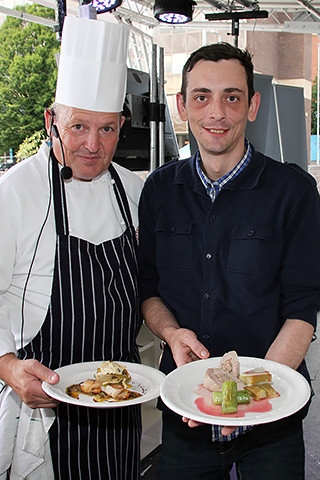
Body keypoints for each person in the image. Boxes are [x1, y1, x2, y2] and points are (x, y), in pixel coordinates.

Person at [138, 42, 320, 480]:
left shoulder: (293, 193)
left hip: (272, 409)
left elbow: (302, 308)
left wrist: (243, 398)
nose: (216, 112)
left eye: (231, 97)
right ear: (182, 106)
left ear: (252, 105)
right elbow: (149, 290)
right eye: (201, 96)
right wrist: (170, 331)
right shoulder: (159, 191)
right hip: (184, 409)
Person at [0, 15, 144, 480]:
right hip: (42, 402)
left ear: (122, 126)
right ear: (51, 120)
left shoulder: (135, 190)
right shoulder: (14, 193)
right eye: (78, 126)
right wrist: (7, 368)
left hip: (121, 403)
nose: (91, 145)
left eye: (107, 129)